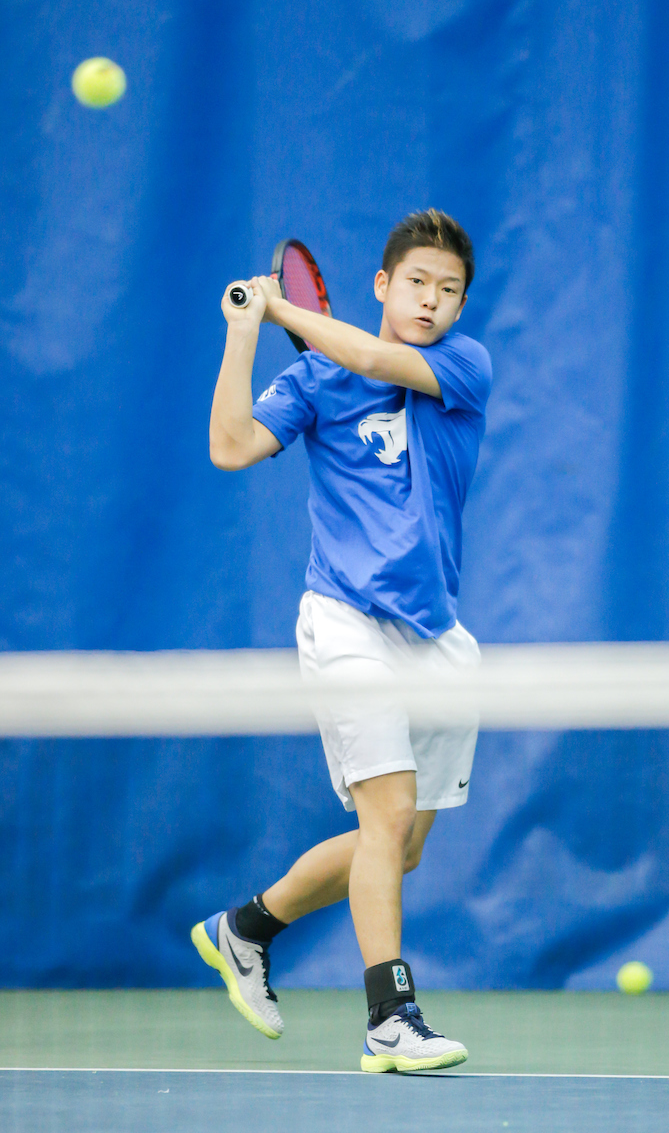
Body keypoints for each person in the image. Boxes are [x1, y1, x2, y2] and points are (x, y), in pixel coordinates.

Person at [192, 209, 492, 1073]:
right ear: (381, 285)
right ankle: (390, 1019)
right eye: (417, 283)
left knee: (399, 846)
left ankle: (245, 928)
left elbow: (370, 357)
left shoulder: (461, 368)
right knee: (386, 818)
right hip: (344, 619)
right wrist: (244, 335)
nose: (431, 301)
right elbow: (230, 445)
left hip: (436, 635)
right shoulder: (317, 384)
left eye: (449, 290)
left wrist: (284, 313)